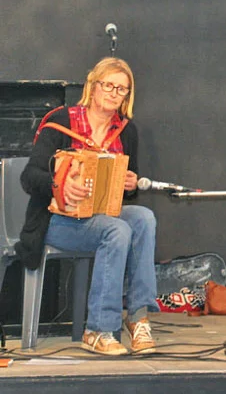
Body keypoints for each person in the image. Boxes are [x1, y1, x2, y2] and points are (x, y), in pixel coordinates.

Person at [16, 57, 157, 356]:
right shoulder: (60, 122)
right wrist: (59, 184)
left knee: (143, 217)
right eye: (108, 85)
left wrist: (129, 183)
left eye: (122, 89)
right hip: (56, 220)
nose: (114, 93)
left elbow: (124, 197)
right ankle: (99, 329)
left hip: (102, 217)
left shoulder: (125, 131)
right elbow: (29, 177)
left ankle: (138, 318)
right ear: (93, 86)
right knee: (116, 229)